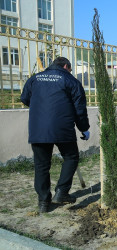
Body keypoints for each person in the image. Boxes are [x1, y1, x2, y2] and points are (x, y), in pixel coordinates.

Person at [20, 57, 90, 213]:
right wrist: (84, 128)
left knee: (41, 165)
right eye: (70, 69)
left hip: (38, 129)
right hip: (63, 128)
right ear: (66, 66)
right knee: (71, 157)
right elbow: (80, 109)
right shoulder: (71, 81)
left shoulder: (34, 79)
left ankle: (44, 202)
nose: (71, 72)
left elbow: (25, 98)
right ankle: (62, 192)